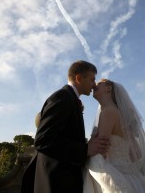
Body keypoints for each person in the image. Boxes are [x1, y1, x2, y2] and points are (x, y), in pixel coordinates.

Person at [21, 60, 110, 193]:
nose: (93, 85)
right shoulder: (62, 97)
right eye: (92, 80)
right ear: (79, 78)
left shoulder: (70, 99)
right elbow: (43, 140)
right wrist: (85, 150)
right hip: (55, 182)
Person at [83, 79, 145, 193]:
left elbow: (99, 150)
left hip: (114, 173)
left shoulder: (108, 112)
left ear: (108, 88)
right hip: (130, 175)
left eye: (98, 84)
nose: (93, 86)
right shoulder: (118, 113)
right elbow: (136, 155)